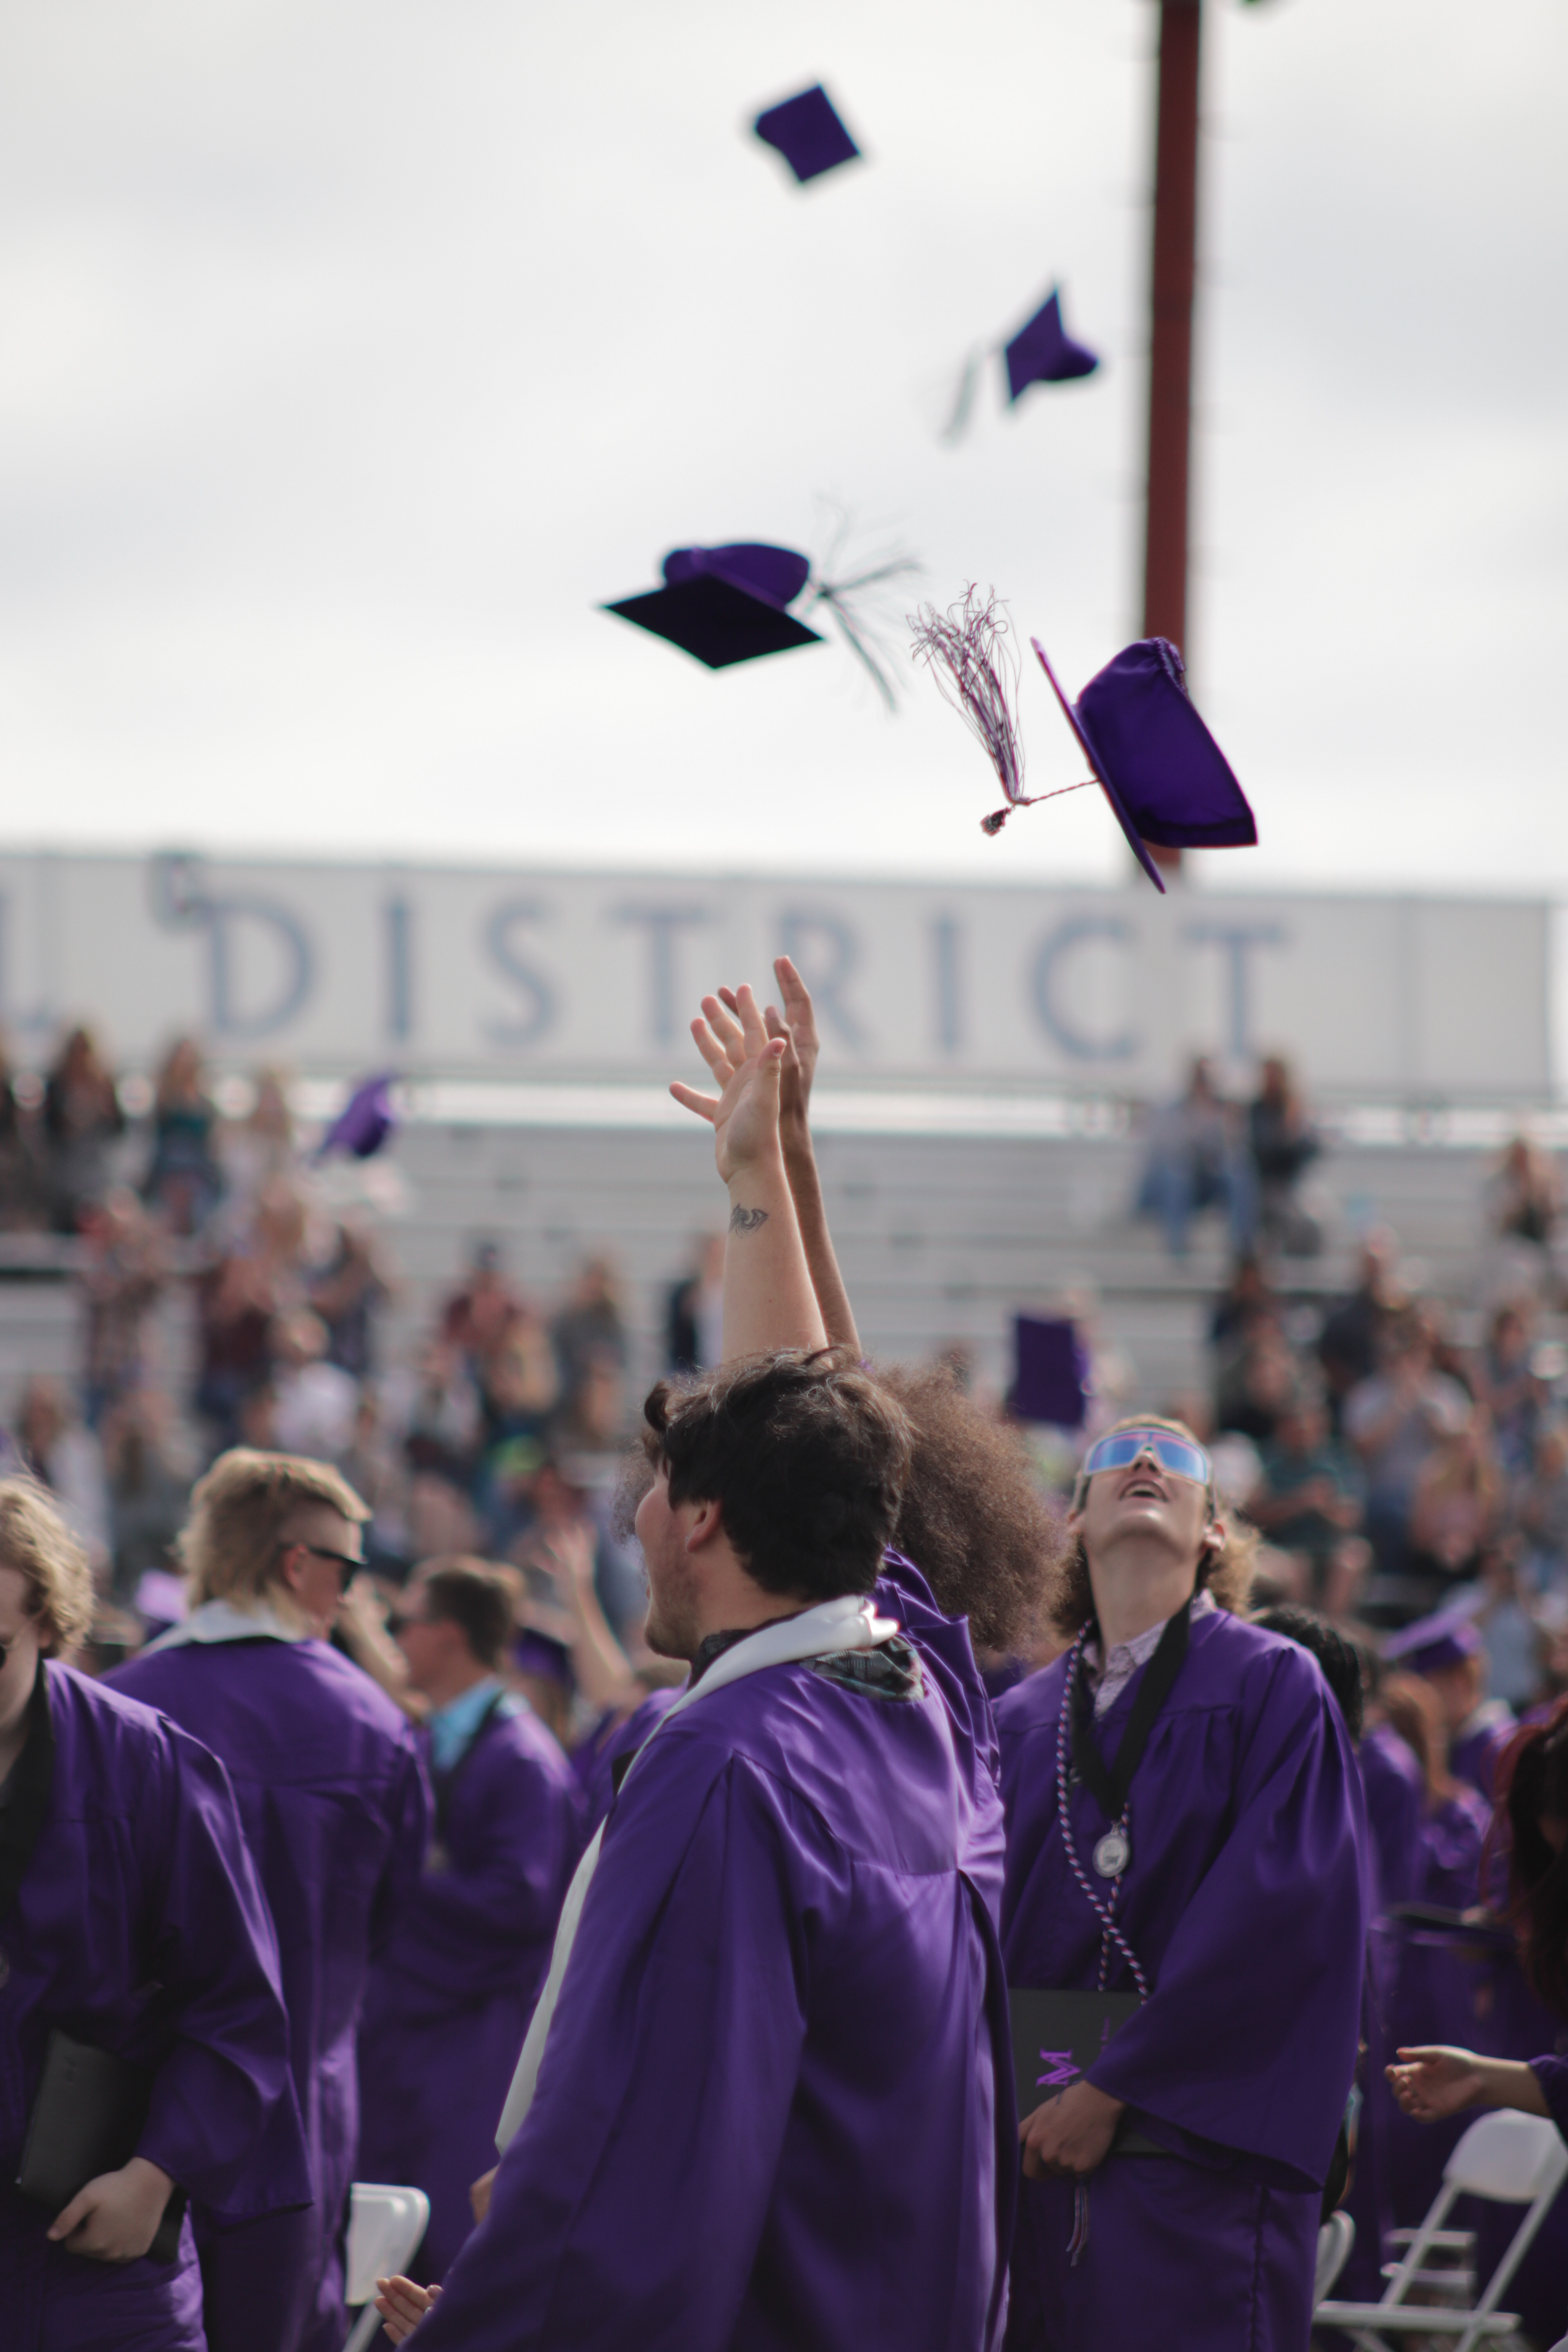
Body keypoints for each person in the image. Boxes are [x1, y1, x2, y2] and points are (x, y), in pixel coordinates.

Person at [374, 995, 1013, 2351]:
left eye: (656, 1490)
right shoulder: (922, 1713)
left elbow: (641, 2161)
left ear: (709, 1521)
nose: (636, 1520)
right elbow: (835, 1451)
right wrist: (767, 1181)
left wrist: (492, 2324)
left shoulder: (733, 1765)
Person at [995, 1414, 1366, 2350]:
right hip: (1029, 2154)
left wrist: (1115, 2087)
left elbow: (1277, 1921)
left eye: (1177, 1458)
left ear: (1212, 1528)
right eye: (1115, 1455)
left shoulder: (1273, 1684)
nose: (1147, 1460)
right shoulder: (1014, 1719)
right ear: (1073, 1520)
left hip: (1191, 2164)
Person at [107, 1450, 430, 2352]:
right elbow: (390, 1922)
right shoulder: (374, 1721)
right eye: (349, 1570)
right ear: (298, 1564)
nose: (355, 1595)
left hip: (129, 2129)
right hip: (302, 2120)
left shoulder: (112, 1710)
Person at [0, 1474, 312, 2352]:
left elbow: (239, 2006)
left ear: (50, 1627)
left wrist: (155, 2174)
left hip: (96, 2255)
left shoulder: (148, 1767)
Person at [356, 1559, 583, 2282]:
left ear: (447, 1636)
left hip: (473, 2042)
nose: (397, 1639)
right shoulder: (433, 1738)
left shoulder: (523, 1760)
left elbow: (519, 1905)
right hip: (412, 2033)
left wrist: (400, 1882)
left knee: (448, 2257)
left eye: (406, 1623)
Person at [1382, 1604, 1516, 1801]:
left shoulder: (1497, 1750)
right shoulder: (1458, 1741)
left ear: (1459, 1681)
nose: (1415, 1700)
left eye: (1425, 1686)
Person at [1247, 1055, 1321, 1255]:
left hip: (1294, 1186)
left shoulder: (1295, 1110)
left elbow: (1311, 1150)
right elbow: (1262, 1154)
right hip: (1265, 1188)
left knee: (1314, 1220)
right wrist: (1287, 1138)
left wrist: (1293, 1132)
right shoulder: (1256, 1112)